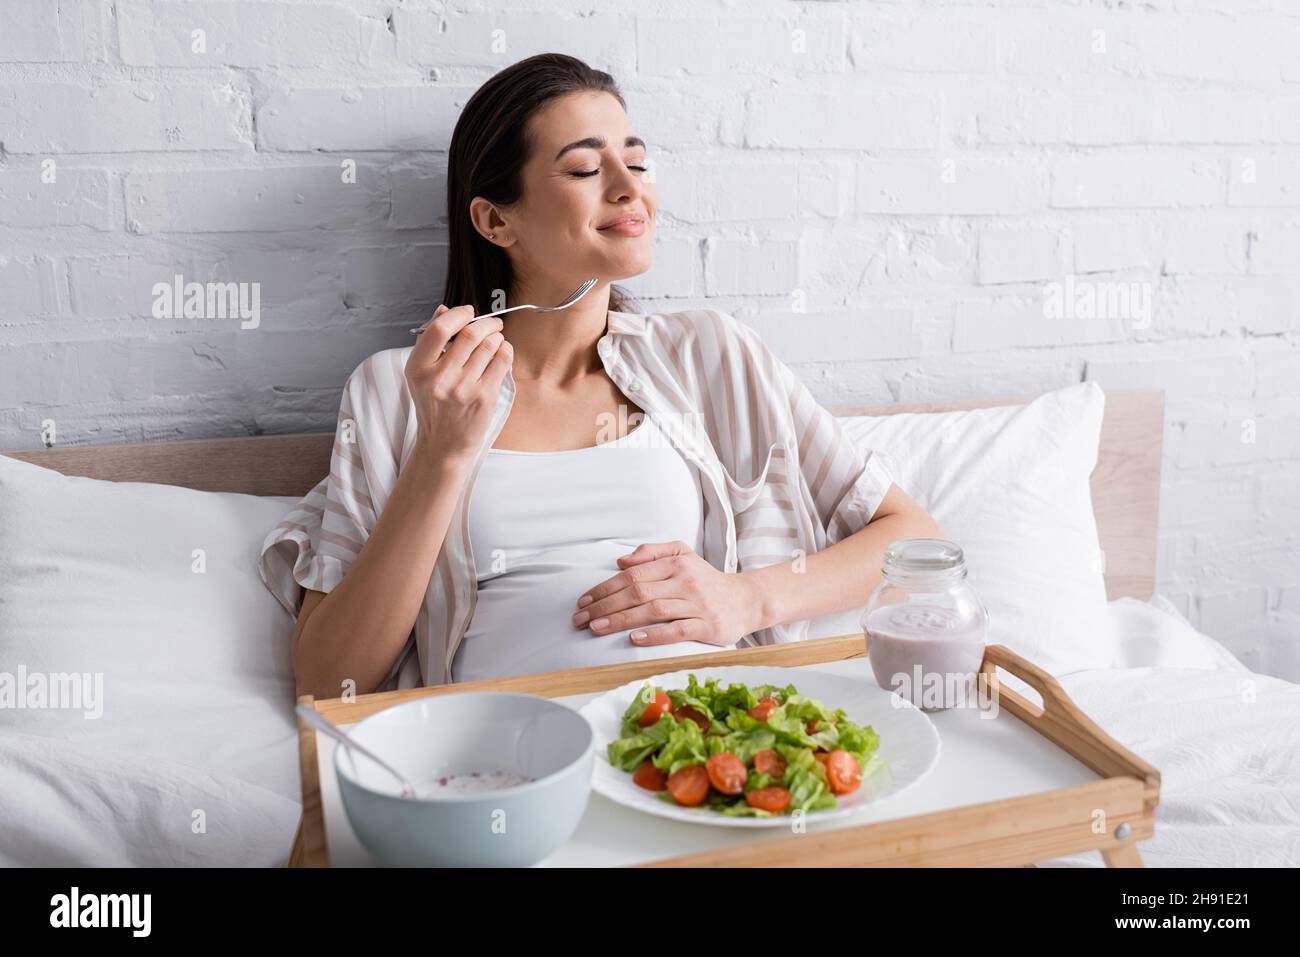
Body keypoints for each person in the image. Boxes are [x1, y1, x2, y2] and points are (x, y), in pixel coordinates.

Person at [257, 53, 942, 700]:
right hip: (511, 761)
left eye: (636, 161)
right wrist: (441, 454)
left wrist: (747, 598)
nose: (628, 186)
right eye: (586, 169)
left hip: (704, 739)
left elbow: (915, 538)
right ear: (496, 220)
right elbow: (329, 680)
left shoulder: (709, 356)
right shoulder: (401, 391)